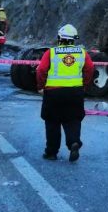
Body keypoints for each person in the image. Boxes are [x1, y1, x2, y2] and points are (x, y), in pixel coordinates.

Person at [36, 24, 94, 162]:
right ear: (74, 39)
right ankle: (73, 142)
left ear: (59, 38)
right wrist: (84, 85)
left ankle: (51, 153)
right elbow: (90, 69)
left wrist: (40, 86)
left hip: (53, 93)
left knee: (52, 123)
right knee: (73, 120)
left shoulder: (51, 52)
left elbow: (41, 70)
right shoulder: (82, 53)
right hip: (75, 93)